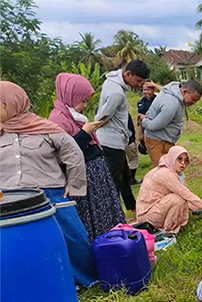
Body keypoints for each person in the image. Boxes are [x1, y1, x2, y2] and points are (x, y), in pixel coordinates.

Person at [0, 81, 97, 287]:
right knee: (23, 244)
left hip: (50, 195)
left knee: (72, 238)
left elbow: (73, 155)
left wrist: (75, 184)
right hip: (10, 200)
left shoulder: (45, 128)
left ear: (11, 103)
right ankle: (43, 285)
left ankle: (88, 281)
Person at [49, 73, 126, 243]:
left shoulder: (73, 116)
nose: (84, 106)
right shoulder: (58, 120)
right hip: (83, 178)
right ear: (70, 95)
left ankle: (115, 245)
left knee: (105, 213)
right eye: (82, 101)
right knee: (92, 218)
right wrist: (85, 132)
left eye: (86, 101)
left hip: (95, 174)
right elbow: (64, 154)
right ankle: (100, 251)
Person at [95, 59, 150, 219]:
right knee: (114, 181)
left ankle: (133, 209)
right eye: (138, 80)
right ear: (127, 74)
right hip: (110, 142)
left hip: (118, 140)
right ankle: (112, 216)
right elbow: (102, 116)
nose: (140, 84)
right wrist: (92, 130)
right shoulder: (116, 93)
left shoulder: (112, 83)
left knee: (125, 177)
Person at [136, 146, 202, 233]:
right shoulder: (166, 173)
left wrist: (200, 209)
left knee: (179, 198)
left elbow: (186, 197)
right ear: (172, 158)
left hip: (150, 213)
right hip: (147, 217)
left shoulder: (168, 170)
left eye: (186, 161)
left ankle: (163, 229)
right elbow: (185, 193)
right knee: (178, 199)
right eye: (179, 159)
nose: (183, 163)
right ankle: (168, 232)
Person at [140, 80, 202, 167]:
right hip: (157, 141)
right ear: (184, 92)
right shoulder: (172, 104)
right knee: (163, 172)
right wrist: (144, 122)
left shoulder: (176, 94)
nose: (193, 103)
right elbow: (155, 125)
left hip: (165, 140)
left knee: (171, 169)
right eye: (193, 99)